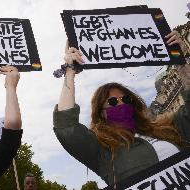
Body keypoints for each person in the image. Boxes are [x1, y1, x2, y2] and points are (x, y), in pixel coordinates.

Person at [53, 34, 190, 187]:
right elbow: (66, 126)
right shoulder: (102, 151)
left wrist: (182, 59)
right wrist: (70, 71)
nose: (121, 104)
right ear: (101, 112)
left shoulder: (166, 128)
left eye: (125, 99)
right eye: (112, 101)